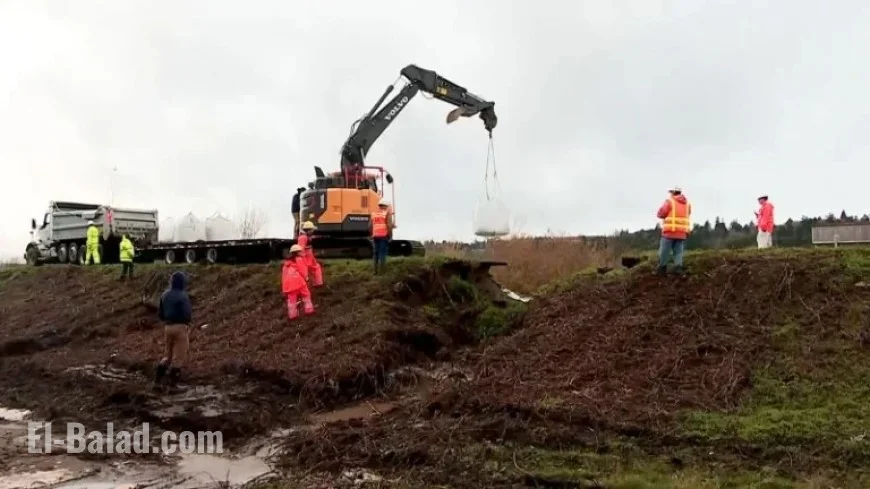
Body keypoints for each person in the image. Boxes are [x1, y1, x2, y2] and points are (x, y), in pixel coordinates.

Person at [155, 271, 192, 385]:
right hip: (180, 327)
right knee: (179, 356)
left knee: (167, 355)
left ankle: (157, 380)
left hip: (167, 327)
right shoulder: (183, 295)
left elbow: (160, 313)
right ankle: (173, 385)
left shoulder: (164, 294)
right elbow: (187, 314)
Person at [655, 186, 692, 275]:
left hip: (669, 231)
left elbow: (660, 214)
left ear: (673, 193)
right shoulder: (687, 204)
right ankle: (678, 268)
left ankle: (662, 269)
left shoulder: (669, 202)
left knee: (664, 251)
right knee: (678, 251)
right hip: (682, 232)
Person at [282, 244, 315, 320]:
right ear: (297, 252)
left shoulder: (286, 263)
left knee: (292, 300)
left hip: (289, 284)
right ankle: (309, 311)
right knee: (306, 294)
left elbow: (284, 276)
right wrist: (306, 278)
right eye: (300, 251)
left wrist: (284, 288)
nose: (302, 252)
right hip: (299, 281)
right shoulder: (299, 259)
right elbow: (303, 271)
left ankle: (293, 316)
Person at [370, 199, 394, 274]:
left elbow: (369, 226)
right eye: (387, 206)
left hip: (375, 236)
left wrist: (372, 233)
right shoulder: (387, 213)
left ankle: (375, 271)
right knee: (382, 253)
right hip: (383, 235)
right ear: (385, 206)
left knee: (376, 253)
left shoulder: (373, 214)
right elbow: (389, 226)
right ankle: (382, 271)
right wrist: (390, 236)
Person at [297, 221, 323, 286]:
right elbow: (301, 250)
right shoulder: (303, 238)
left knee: (316, 267)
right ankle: (302, 287)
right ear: (308, 230)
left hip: (309, 257)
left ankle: (318, 284)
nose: (313, 231)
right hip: (304, 258)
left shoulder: (307, 236)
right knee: (304, 274)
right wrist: (304, 260)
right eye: (312, 230)